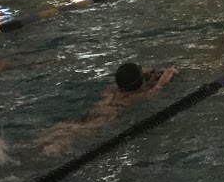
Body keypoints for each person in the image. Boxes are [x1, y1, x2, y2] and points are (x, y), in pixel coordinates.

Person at [35, 62, 177, 156]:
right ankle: (50, 152)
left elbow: (133, 76)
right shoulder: (139, 97)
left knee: (64, 129)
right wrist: (167, 72)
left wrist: (146, 73)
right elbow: (162, 83)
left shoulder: (111, 91)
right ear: (140, 81)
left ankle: (32, 145)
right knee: (69, 138)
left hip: (92, 112)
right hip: (105, 119)